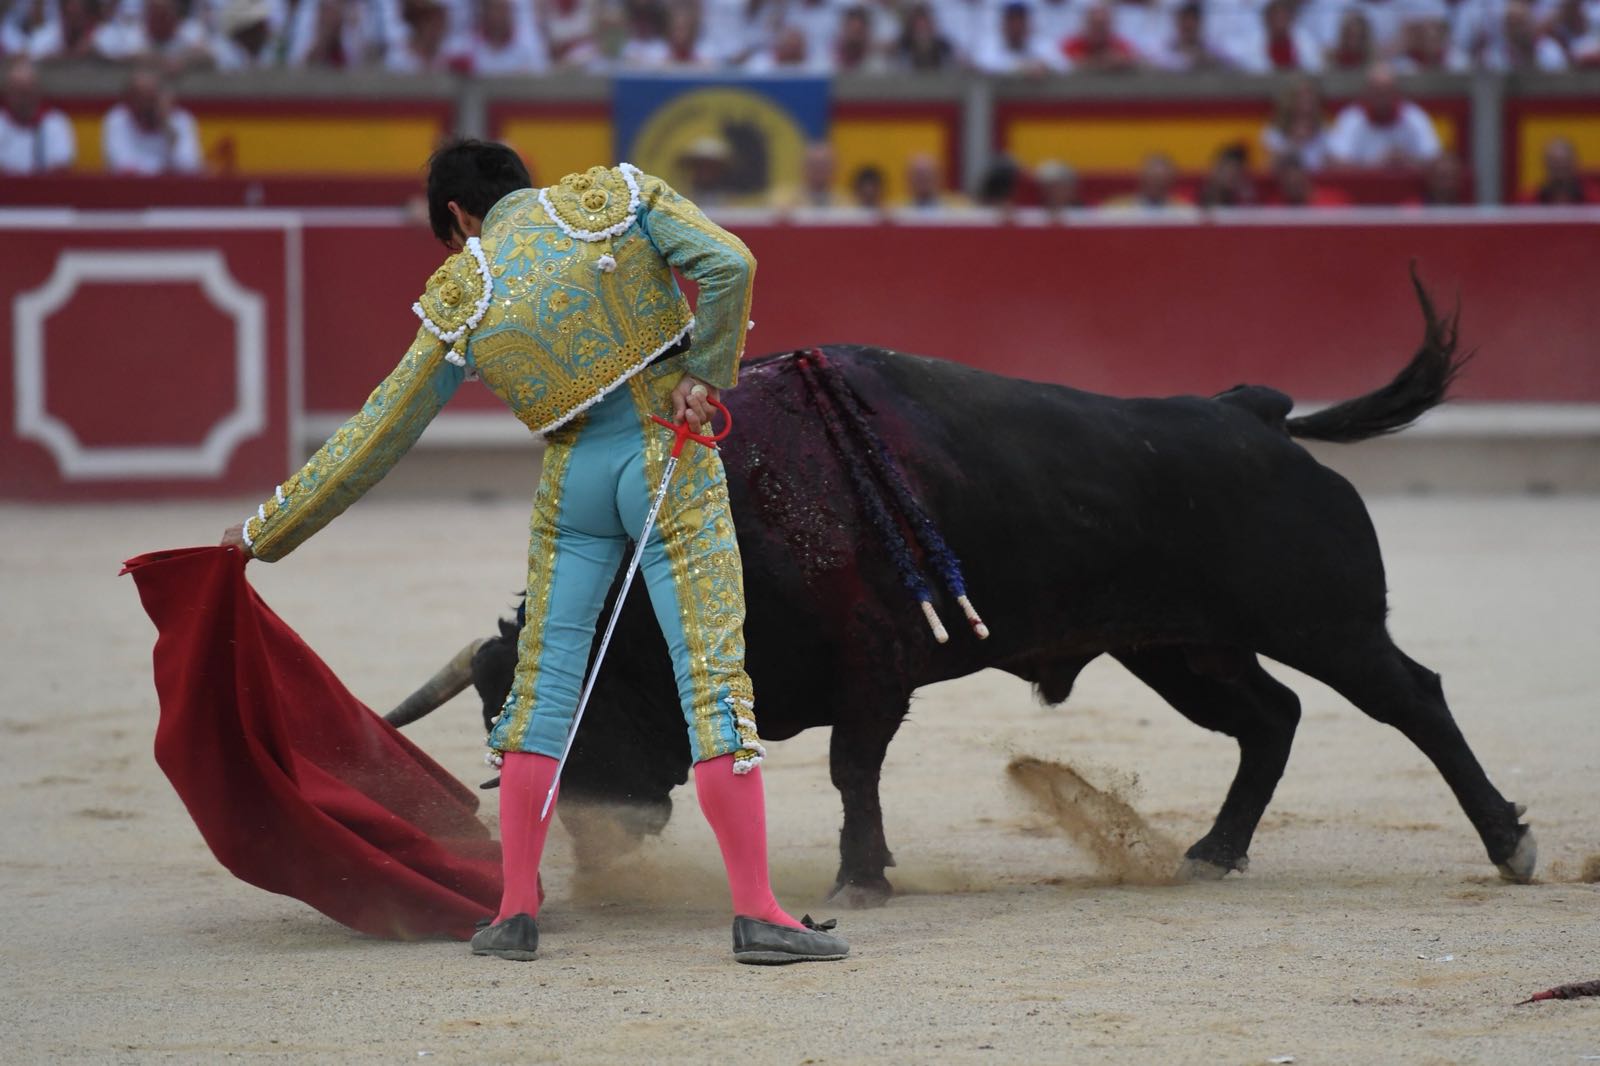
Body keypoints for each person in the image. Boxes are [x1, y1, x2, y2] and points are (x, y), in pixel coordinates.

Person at [221, 139, 850, 966]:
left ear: (457, 216)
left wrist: (264, 532)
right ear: (524, 182)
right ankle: (759, 913)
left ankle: (514, 912)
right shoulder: (615, 198)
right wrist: (707, 371)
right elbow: (730, 263)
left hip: (574, 478)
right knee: (711, 676)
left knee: (543, 688)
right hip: (666, 449)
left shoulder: (463, 288)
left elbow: (377, 432)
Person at [1324, 62, 1441, 169]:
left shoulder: (1414, 116)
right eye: (1377, 92)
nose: (1382, 98)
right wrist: (1375, 165)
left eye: (1386, 92)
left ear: (1395, 92)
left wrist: (1407, 162)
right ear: (1367, 93)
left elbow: (1434, 158)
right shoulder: (1351, 118)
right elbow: (1335, 161)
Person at [101, 65, 202, 175]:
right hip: (131, 189)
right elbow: (121, 165)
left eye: (151, 97)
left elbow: (189, 166)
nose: (146, 103)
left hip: (172, 190)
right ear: (129, 97)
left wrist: (167, 126)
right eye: (140, 96)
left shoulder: (180, 119)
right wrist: (163, 171)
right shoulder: (118, 118)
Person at [0, 58, 75, 174]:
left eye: (26, 92)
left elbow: (61, 169)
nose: (21, 99)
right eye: (16, 92)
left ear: (37, 92)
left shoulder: (55, 122)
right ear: (7, 93)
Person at [1261, 75, 1330, 171]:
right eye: (1301, 97)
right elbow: (1268, 170)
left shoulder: (1324, 131)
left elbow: (1330, 168)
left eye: (1310, 97)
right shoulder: (1273, 132)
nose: (1307, 102)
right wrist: (1295, 143)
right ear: (1289, 100)